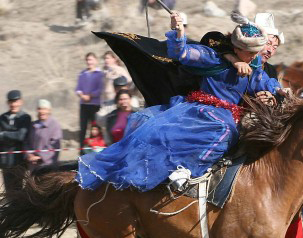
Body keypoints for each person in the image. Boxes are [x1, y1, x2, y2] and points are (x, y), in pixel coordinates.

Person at [77, 11, 286, 192]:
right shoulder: (213, 58)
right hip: (201, 109)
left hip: (228, 113)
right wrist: (178, 32)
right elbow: (182, 53)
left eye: (256, 52)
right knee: (218, 129)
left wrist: (279, 91)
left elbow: (264, 81)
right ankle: (181, 171)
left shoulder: (255, 65)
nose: (255, 56)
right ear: (237, 48)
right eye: (250, 53)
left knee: (230, 129)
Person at [0, 90, 32, 192]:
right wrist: (12, 135)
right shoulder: (2, 118)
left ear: (21, 102)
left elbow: (21, 136)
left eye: (16, 101)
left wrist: (4, 134)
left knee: (19, 189)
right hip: (5, 160)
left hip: (19, 160)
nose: (13, 104)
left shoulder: (25, 117)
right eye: (11, 101)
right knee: (9, 190)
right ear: (8, 103)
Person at [75, 52, 104, 150]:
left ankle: (97, 148)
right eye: (87, 60)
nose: (89, 62)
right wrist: (82, 95)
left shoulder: (100, 74)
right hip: (84, 104)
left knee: (95, 127)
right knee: (83, 128)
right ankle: (81, 150)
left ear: (95, 60)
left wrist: (90, 96)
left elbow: (100, 89)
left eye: (91, 59)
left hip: (95, 105)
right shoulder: (82, 74)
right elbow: (78, 88)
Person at [25, 100, 63, 171]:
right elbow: (27, 142)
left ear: (49, 110)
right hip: (33, 166)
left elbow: (54, 146)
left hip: (48, 166)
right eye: (40, 109)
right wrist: (29, 155)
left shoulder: (55, 125)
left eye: (44, 109)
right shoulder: (32, 125)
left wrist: (39, 157)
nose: (42, 111)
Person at [99, 51, 132, 117]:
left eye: (108, 58)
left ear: (114, 59)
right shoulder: (105, 71)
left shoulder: (119, 69)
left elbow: (129, 80)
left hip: (115, 101)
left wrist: (121, 91)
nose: (106, 60)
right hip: (105, 101)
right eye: (105, 58)